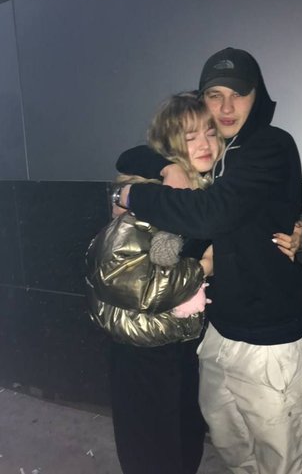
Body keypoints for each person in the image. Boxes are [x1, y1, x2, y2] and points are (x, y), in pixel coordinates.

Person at [122, 47, 302, 474]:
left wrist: (131, 194)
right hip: (218, 332)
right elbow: (138, 153)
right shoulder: (215, 149)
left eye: (238, 94)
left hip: (269, 340)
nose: (227, 108)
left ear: (257, 96)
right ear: (202, 100)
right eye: (215, 95)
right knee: (232, 447)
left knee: (282, 457)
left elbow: (213, 214)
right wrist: (165, 167)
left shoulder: (269, 144)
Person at [87, 94, 223, 474]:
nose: (204, 144)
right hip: (142, 350)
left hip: (178, 342)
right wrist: (204, 267)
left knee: (183, 442)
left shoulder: (203, 188)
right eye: (190, 137)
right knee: (151, 450)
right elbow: (138, 284)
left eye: (210, 133)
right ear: (171, 145)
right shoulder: (148, 198)